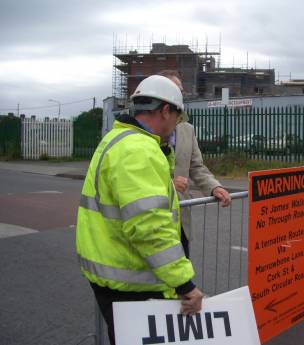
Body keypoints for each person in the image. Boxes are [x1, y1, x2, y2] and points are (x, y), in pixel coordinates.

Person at [76, 75, 203, 345]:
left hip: (112, 276)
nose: (176, 126)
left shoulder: (118, 138)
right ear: (166, 110)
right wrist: (185, 284)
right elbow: (149, 227)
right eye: (177, 118)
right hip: (131, 283)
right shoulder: (139, 150)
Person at [157, 70, 231, 257]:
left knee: (183, 269)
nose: (181, 95)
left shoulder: (187, 129)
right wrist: (168, 186)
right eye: (175, 90)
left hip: (181, 220)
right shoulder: (147, 129)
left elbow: (197, 166)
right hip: (154, 220)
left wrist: (214, 187)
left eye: (181, 91)